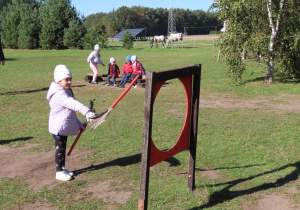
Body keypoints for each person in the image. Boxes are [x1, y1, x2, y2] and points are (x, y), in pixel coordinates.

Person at [47, 65, 95, 181]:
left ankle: (62, 168)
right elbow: (73, 104)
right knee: (60, 149)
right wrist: (87, 111)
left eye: (70, 79)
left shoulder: (65, 91)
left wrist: (79, 124)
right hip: (58, 127)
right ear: (58, 81)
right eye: (66, 80)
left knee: (62, 148)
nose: (69, 82)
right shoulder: (60, 95)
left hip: (63, 125)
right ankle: (59, 172)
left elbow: (70, 112)